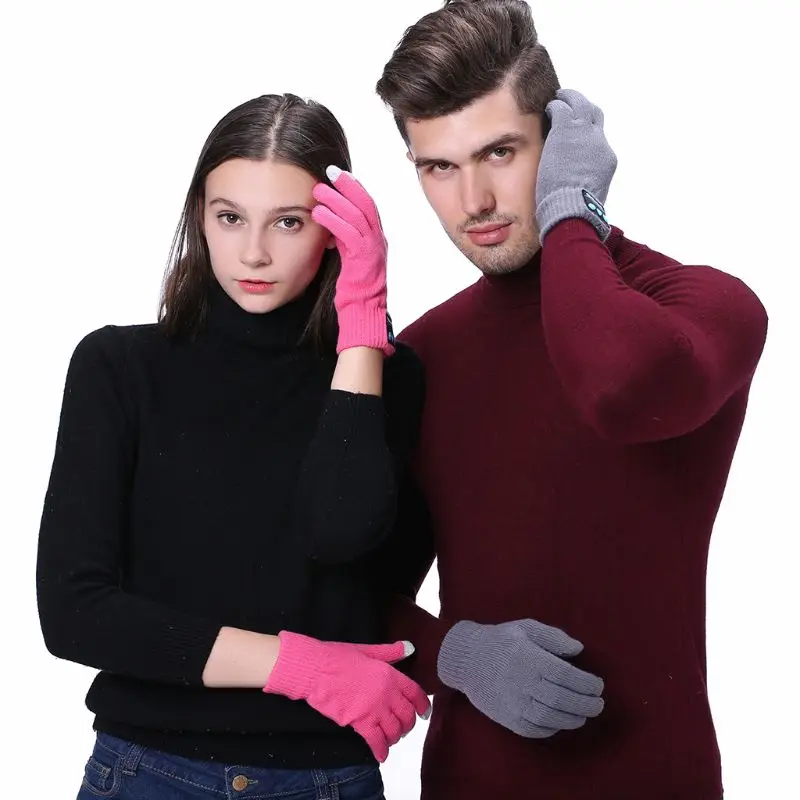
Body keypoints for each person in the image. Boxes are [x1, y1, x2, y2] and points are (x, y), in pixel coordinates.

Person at [371, 1, 769, 798]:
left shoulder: (703, 306)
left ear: (559, 143)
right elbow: (348, 597)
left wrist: (569, 214)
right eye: (438, 167)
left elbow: (619, 388)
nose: (474, 201)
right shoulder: (420, 356)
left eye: (500, 152)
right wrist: (455, 655)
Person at [36, 92, 430, 800]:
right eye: (230, 217)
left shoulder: (386, 381)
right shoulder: (118, 368)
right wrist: (298, 668)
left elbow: (339, 534)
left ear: (336, 231)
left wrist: (363, 322)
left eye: (289, 221)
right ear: (199, 216)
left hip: (325, 778)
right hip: (150, 771)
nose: (253, 252)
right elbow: (74, 613)